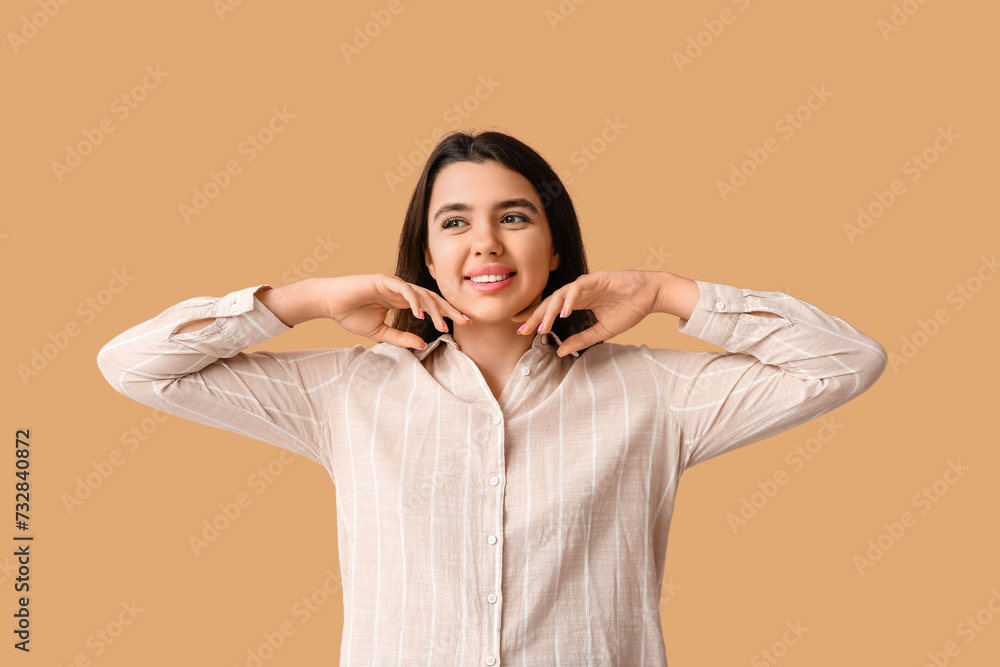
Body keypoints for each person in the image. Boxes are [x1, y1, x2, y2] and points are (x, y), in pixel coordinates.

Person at [96, 130, 887, 666]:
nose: (486, 243)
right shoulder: (347, 390)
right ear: (428, 257)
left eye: (515, 216)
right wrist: (301, 297)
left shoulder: (652, 389)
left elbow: (845, 361)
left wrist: (665, 290)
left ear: (554, 244)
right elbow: (137, 365)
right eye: (455, 222)